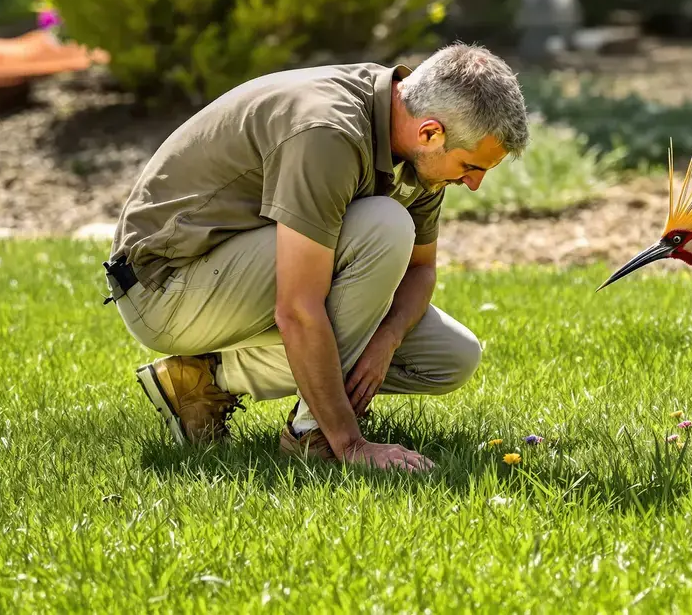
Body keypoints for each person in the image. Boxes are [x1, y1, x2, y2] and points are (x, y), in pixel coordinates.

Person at [102, 43, 530, 472]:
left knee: (449, 357)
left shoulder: (414, 143)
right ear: (430, 133)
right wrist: (350, 443)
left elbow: (421, 270)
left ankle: (204, 380)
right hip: (166, 289)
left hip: (239, 277)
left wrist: (387, 338)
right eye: (472, 166)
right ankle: (315, 435)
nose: (473, 184)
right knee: (384, 225)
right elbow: (297, 308)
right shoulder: (329, 132)